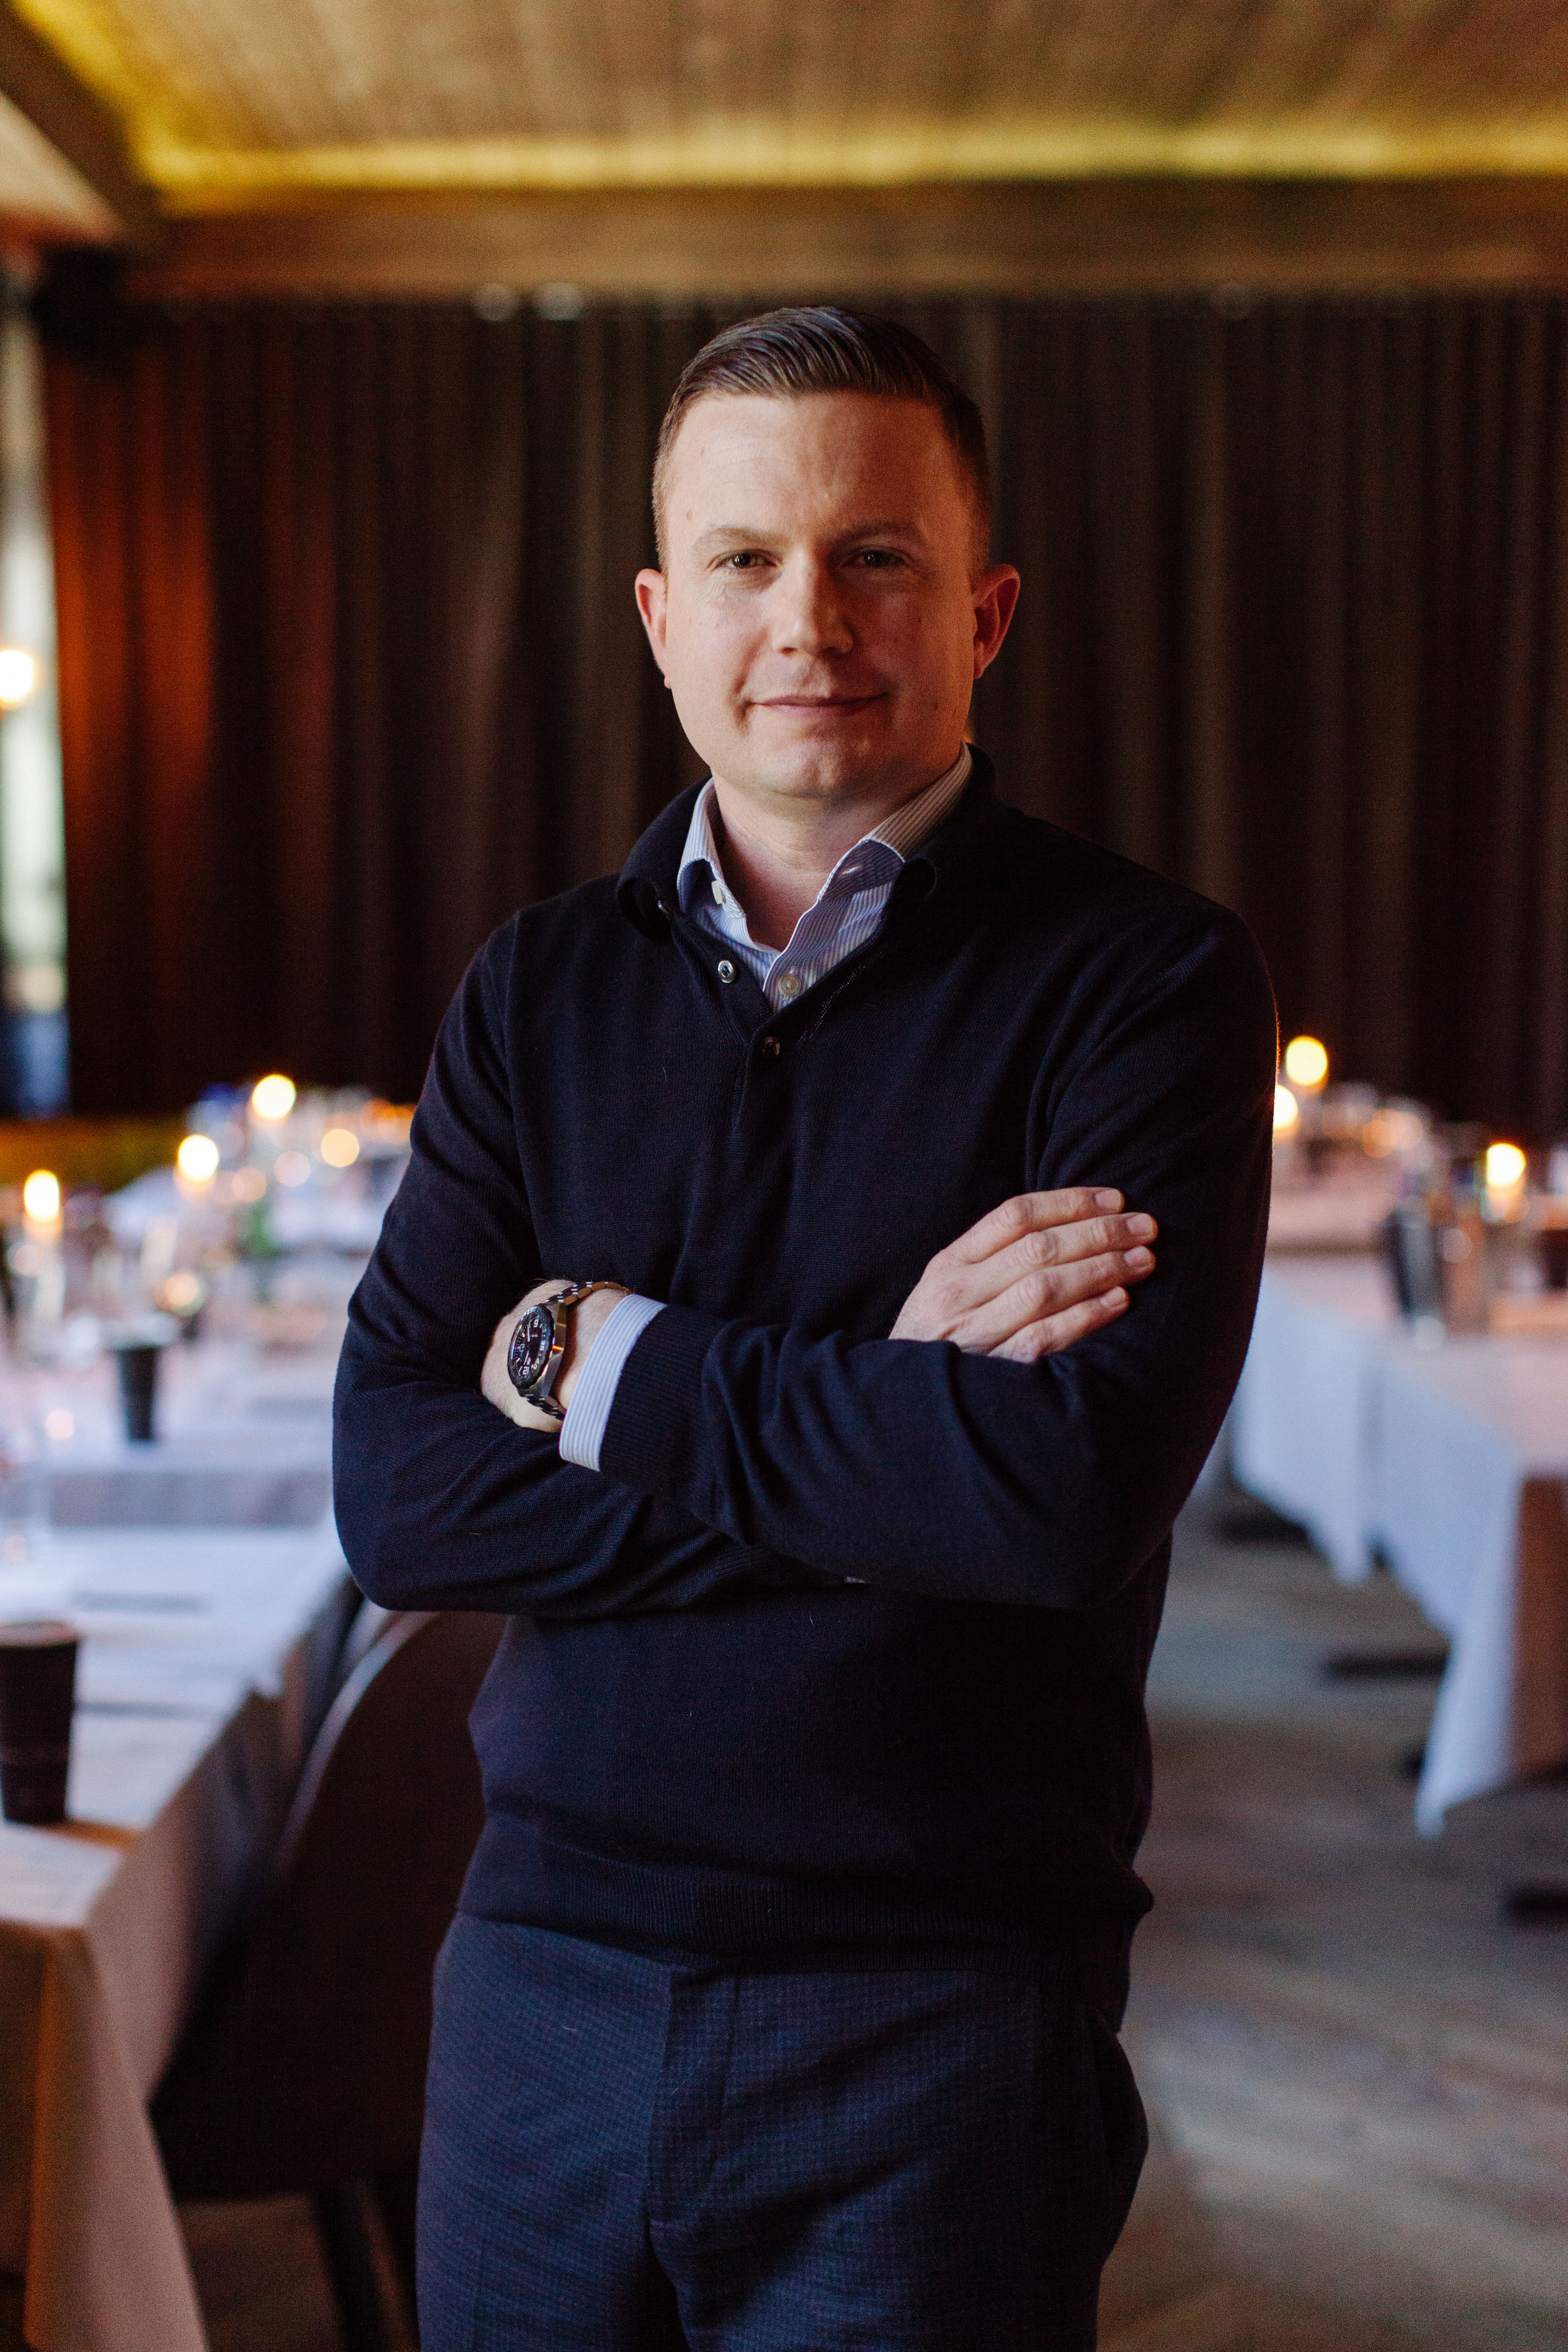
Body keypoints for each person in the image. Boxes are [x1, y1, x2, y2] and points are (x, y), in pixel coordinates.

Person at [334, 306, 1276, 2350]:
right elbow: (401, 1496)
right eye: (749, 562)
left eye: (876, 556)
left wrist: (602, 1363)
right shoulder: (535, 990)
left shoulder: (1146, 986)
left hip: (935, 2005)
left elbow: (1046, 1500)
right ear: (663, 618)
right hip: (537, 1983)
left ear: (985, 610)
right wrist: (885, 1406)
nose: (809, 620)